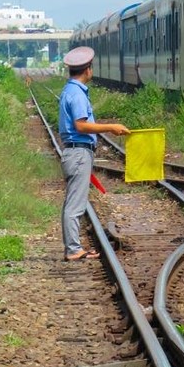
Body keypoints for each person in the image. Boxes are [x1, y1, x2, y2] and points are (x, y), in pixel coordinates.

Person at [59, 46, 130, 261]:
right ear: (87, 70)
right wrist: (110, 127)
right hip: (79, 152)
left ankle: (73, 247)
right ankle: (73, 250)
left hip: (76, 152)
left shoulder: (69, 90)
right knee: (75, 204)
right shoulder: (77, 94)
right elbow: (81, 126)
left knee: (73, 201)